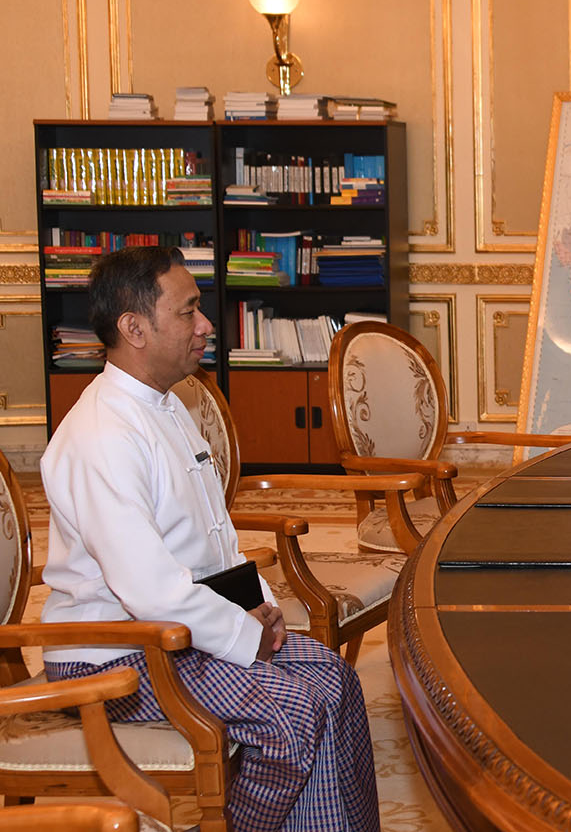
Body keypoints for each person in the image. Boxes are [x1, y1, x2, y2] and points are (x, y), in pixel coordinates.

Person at [40, 246, 378, 832]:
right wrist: (246, 636)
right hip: (113, 653)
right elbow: (149, 591)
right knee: (291, 714)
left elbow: (212, 541)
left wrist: (260, 606)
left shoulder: (168, 405)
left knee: (335, 679)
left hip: (177, 630)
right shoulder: (101, 435)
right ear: (134, 328)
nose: (205, 325)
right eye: (188, 312)